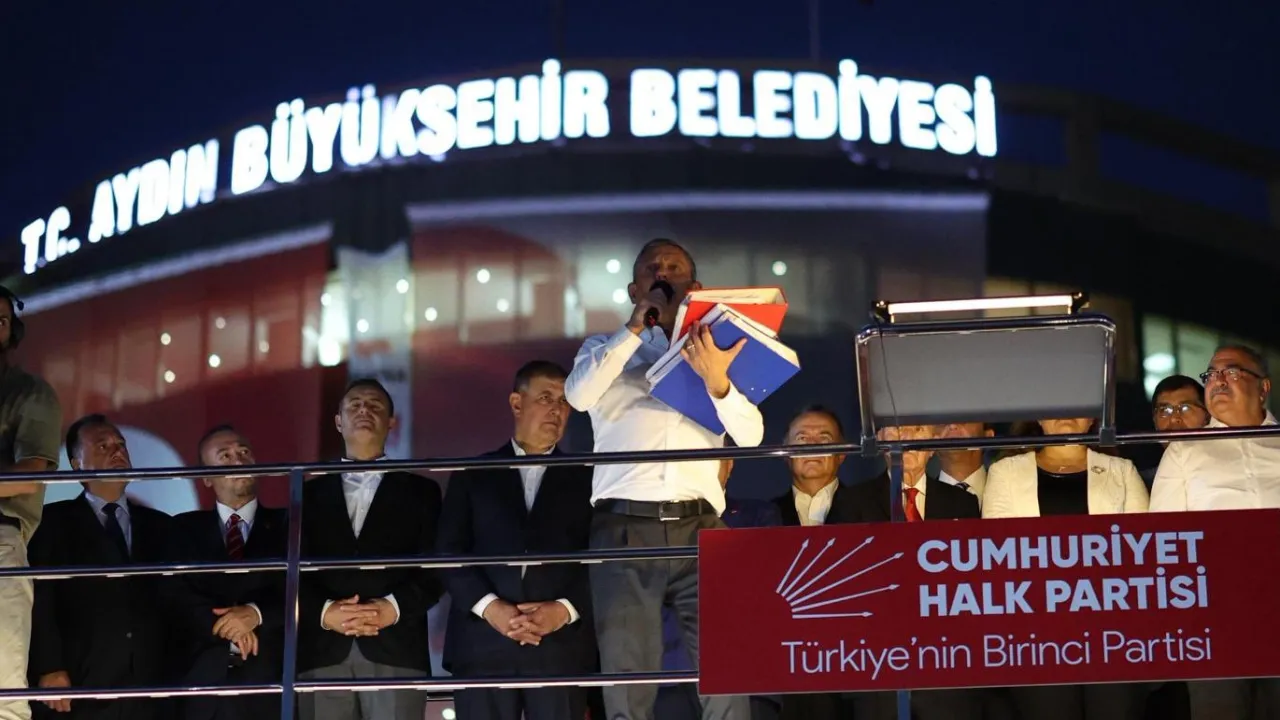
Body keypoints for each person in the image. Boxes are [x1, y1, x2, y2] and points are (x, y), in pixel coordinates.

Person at [565, 238, 760, 720]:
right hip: (625, 528)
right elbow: (578, 396)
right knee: (628, 678)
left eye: (674, 268)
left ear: (694, 287)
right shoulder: (603, 349)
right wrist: (635, 328)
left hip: (703, 528)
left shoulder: (719, 352)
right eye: (652, 268)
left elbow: (752, 435)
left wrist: (718, 381)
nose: (662, 273)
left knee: (727, 673)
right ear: (634, 290)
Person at [437, 361, 595, 720]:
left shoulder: (588, 479)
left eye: (564, 401)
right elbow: (447, 553)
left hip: (560, 648)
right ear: (516, 403)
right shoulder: (474, 473)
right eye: (546, 398)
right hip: (482, 645)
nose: (556, 409)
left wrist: (563, 610)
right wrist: (492, 608)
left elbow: (600, 558)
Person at [984, 417, 1148, 720]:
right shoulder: (1005, 471)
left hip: (1113, 631)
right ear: (1039, 417)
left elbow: (1143, 551)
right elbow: (999, 554)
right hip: (1036, 632)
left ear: (1093, 418)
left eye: (1077, 406)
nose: (1066, 415)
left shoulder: (1121, 470)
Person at [298, 379, 443, 720]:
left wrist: (392, 608)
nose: (364, 410)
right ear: (338, 421)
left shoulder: (422, 491)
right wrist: (325, 612)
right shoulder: (306, 493)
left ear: (392, 422)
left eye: (375, 405)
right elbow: (291, 572)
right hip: (321, 650)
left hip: (398, 648)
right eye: (355, 405)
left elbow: (438, 568)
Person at [1151, 346, 1280, 719]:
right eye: (1211, 375)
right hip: (1217, 623)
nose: (1218, 382)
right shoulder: (1184, 452)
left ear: (1263, 387)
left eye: (1231, 372)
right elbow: (1163, 542)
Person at [28, 415, 173, 720]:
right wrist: (49, 666)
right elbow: (40, 597)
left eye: (121, 444)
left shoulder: (161, 525)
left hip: (151, 689)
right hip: (80, 688)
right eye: (103, 446)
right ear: (77, 464)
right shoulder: (51, 523)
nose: (117, 451)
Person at [846, 424, 982, 720]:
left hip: (944, 658)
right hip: (879, 661)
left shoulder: (962, 502)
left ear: (933, 445)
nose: (905, 439)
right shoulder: (851, 502)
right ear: (879, 441)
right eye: (895, 431)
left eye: (916, 430)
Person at [169, 425, 287, 720]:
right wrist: (229, 624)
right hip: (202, 686)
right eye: (225, 456)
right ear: (206, 477)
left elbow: (301, 590)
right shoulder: (182, 529)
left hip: (271, 686)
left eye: (244, 452)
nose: (238, 460)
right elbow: (176, 595)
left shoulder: (289, 524)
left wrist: (256, 614)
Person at [0, 286, 61, 720]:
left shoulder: (29, 392)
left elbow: (30, 474)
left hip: (0, 540)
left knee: (4, 698)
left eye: (0, 320)